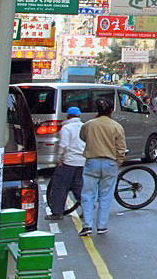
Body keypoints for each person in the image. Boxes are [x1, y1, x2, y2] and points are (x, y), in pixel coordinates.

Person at [78, 99, 126, 236]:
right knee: (105, 195)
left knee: (88, 194)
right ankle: (101, 226)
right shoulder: (116, 126)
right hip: (110, 163)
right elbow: (121, 147)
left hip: (92, 161)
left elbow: (83, 137)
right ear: (111, 111)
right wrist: (119, 161)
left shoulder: (88, 125)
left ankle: (87, 225)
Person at [46, 107, 85, 221]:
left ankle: (57, 212)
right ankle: (87, 206)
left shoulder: (66, 128)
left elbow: (64, 146)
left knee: (59, 187)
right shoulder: (84, 126)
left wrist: (59, 159)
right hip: (82, 161)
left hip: (69, 161)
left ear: (68, 116)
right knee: (78, 186)